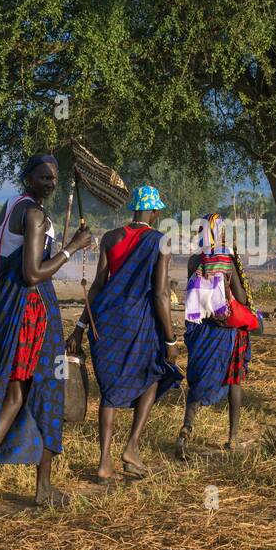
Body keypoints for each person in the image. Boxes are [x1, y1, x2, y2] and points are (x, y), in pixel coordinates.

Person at [0, 154, 92, 515]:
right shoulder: (35, 215)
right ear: (28, 177)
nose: (50, 182)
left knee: (15, 396)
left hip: (7, 306)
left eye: (54, 177)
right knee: (48, 393)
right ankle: (42, 488)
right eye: (43, 177)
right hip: (32, 310)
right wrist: (72, 248)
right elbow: (33, 273)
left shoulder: (10, 206)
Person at [67, 185, 182, 481]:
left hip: (105, 324)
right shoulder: (161, 241)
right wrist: (170, 339)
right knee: (154, 375)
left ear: (134, 208)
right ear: (154, 212)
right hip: (139, 322)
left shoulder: (110, 237)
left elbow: (97, 286)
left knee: (110, 391)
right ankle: (131, 448)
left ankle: (105, 462)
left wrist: (80, 328)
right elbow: (159, 295)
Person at [177, 213, 258, 455]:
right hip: (225, 332)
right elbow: (241, 298)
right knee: (234, 380)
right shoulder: (228, 262)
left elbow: (194, 294)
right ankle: (233, 437)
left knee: (199, 383)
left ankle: (186, 428)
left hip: (200, 331)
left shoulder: (194, 260)